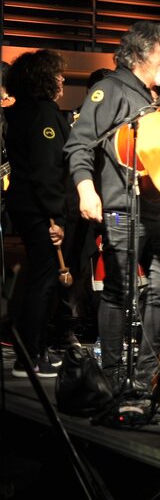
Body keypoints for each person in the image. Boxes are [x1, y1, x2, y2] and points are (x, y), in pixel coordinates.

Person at [64, 22, 160, 389]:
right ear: (137, 55)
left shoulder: (157, 100)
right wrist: (87, 189)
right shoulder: (110, 89)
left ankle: (145, 372)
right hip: (123, 208)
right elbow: (79, 144)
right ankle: (114, 373)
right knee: (119, 291)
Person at [6, 50, 70, 377]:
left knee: (37, 280)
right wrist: (56, 218)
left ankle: (33, 350)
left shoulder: (21, 112)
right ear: (43, 78)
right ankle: (29, 357)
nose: (61, 80)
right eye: (57, 74)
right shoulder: (44, 114)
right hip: (39, 209)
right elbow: (47, 171)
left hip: (23, 203)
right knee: (42, 283)